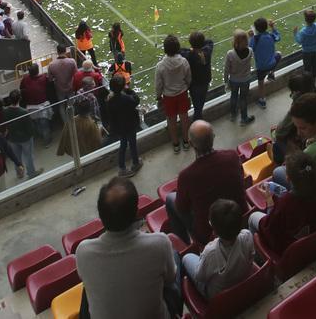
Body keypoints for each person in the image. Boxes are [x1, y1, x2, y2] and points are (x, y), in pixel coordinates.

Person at [76, 176, 179, 319]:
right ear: (136, 212)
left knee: (86, 289)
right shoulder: (160, 243)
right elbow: (170, 278)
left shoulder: (83, 251)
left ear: (100, 215)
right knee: (174, 256)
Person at [166, 120, 247, 245]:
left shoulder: (186, 176)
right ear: (213, 137)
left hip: (209, 233)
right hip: (240, 218)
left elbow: (182, 208)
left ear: (191, 144)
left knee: (170, 198)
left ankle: (184, 245)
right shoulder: (232, 156)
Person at [249, 151, 316, 253]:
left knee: (252, 217)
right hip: (313, 234)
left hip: (291, 249)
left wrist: (269, 200)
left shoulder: (284, 204)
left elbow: (270, 228)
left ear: (287, 178)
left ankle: (257, 254)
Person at [182, 199, 254, 300]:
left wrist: (202, 256)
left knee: (186, 257)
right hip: (244, 279)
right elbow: (251, 256)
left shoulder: (210, 252)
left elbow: (199, 276)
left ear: (214, 231)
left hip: (219, 296)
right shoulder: (247, 235)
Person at [155, 35, 192, 153]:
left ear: (165, 49)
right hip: (182, 93)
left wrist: (158, 96)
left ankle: (176, 144)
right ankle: (186, 141)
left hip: (168, 97)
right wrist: (186, 87)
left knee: (171, 121)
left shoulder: (160, 66)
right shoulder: (184, 61)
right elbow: (188, 77)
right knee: (184, 118)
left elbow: (158, 84)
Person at [103, 73, 142, 176]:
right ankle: (136, 163)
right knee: (132, 144)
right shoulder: (127, 98)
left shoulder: (109, 100)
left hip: (119, 128)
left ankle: (122, 168)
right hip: (130, 125)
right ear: (124, 85)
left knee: (123, 145)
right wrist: (129, 90)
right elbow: (136, 100)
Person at [0, 91, 39, 178]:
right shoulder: (24, 112)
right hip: (25, 138)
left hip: (12, 138)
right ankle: (31, 173)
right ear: (20, 98)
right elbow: (29, 128)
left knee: (16, 157)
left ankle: (19, 173)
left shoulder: (5, 111)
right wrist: (32, 134)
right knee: (28, 156)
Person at [224, 30, 256, 125]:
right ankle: (244, 118)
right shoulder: (250, 51)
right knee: (243, 99)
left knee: (233, 96)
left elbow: (226, 69)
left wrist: (226, 80)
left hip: (234, 80)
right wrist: (251, 37)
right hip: (246, 79)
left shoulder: (230, 54)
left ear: (235, 41)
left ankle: (233, 115)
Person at [250, 17, 281, 107]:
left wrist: (250, 37)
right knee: (279, 54)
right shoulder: (271, 36)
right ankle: (271, 73)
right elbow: (278, 37)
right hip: (272, 64)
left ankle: (262, 100)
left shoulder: (255, 39)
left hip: (261, 67)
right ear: (267, 27)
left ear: (256, 29)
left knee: (261, 83)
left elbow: (250, 48)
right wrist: (273, 27)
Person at [184, 31, 213, 121]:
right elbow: (210, 41)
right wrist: (199, 42)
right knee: (201, 102)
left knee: (196, 103)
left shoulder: (189, 55)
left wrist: (191, 49)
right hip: (205, 82)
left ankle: (197, 119)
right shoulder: (207, 51)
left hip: (194, 84)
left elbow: (179, 50)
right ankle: (198, 117)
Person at [294, 8, 316, 78]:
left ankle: (308, 79)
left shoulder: (303, 31)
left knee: (307, 66)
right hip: (315, 50)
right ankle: (314, 76)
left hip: (306, 52)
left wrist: (295, 33)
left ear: (305, 19)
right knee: (315, 64)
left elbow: (299, 41)